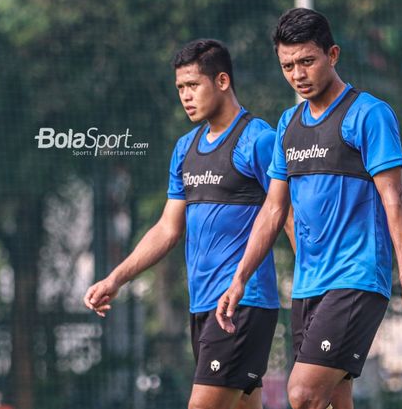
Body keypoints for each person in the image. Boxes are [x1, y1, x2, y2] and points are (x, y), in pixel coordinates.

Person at [216, 8, 402, 409]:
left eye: (307, 61)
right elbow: (272, 211)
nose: (297, 74)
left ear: (332, 55)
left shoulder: (369, 114)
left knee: (302, 393)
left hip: (356, 277)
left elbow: (395, 198)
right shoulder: (288, 123)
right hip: (308, 285)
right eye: (287, 65)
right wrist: (239, 280)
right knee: (336, 400)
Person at [84, 39, 286, 409]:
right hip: (202, 306)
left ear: (222, 81)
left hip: (242, 303)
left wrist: (310, 290)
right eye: (180, 88)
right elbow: (167, 229)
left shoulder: (258, 139)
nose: (185, 96)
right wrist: (116, 278)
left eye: (193, 85)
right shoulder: (185, 149)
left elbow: (283, 212)